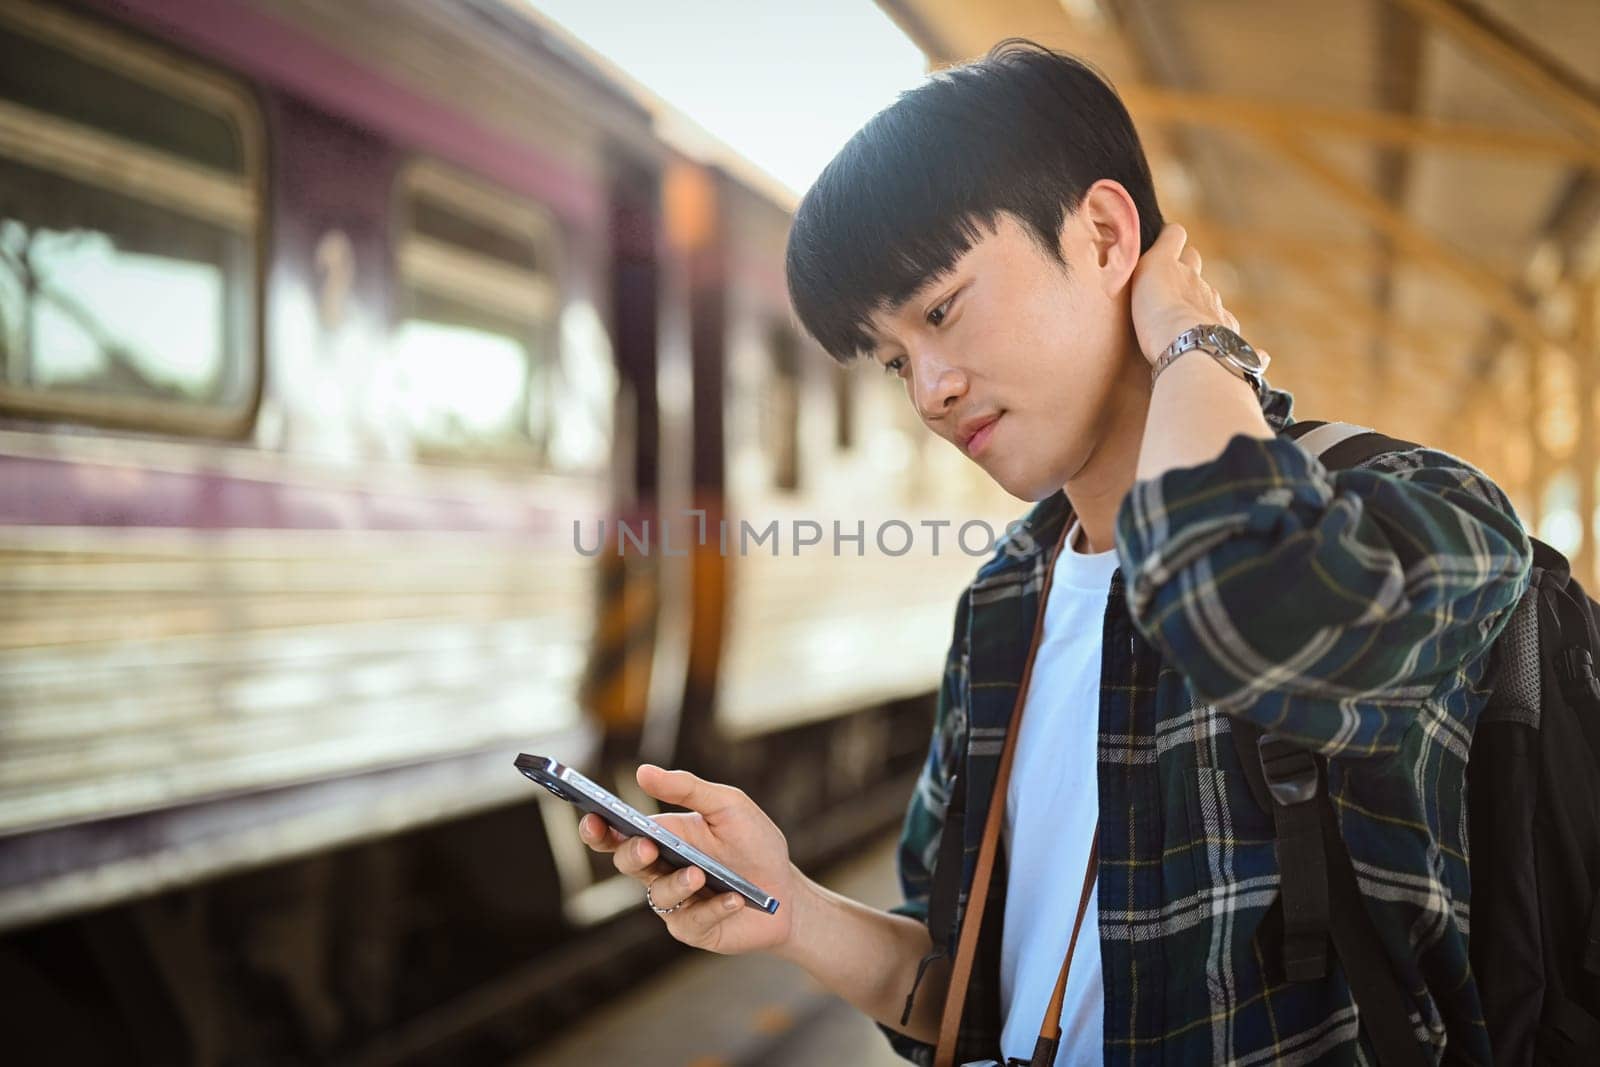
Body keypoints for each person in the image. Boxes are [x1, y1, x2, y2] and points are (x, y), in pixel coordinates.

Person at [578, 39, 1532, 1066]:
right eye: (897, 357)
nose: (929, 389)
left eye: (943, 307)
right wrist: (793, 907)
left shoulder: (1412, 508)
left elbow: (1242, 603)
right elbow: (961, 993)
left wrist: (1196, 348)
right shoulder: (1004, 602)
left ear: (1107, 234)